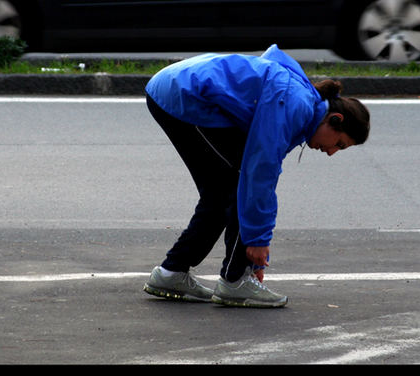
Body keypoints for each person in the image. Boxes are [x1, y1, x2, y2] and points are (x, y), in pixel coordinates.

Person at [142, 44, 370, 308]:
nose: (331, 152)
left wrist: (255, 255)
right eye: (339, 144)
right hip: (185, 95)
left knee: (223, 193)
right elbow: (259, 174)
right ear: (335, 119)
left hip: (179, 86)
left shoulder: (302, 105)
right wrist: (258, 243)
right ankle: (234, 280)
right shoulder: (296, 106)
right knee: (236, 187)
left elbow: (263, 172)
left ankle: (176, 273)